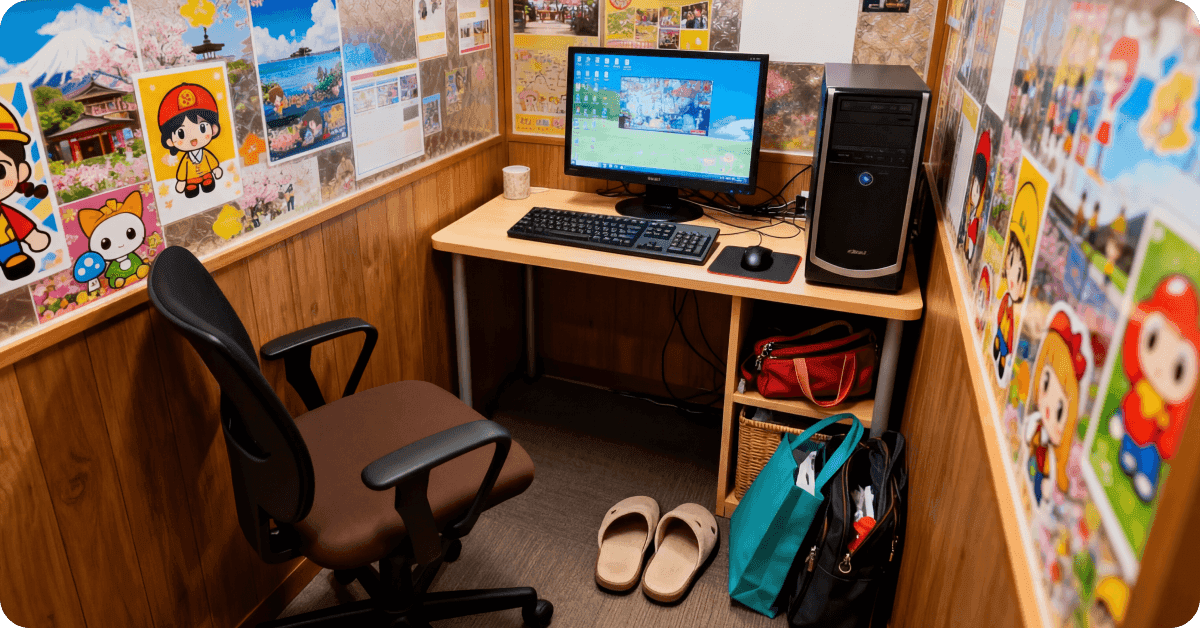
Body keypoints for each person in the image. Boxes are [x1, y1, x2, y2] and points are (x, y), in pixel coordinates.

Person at [0, 101, 51, 282]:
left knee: (14, 260)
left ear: (21, 171)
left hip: (7, 247)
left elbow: (19, 223)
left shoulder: (5, 212)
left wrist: (32, 236)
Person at [158, 83, 225, 199]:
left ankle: (206, 181)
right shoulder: (186, 159)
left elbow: (212, 161)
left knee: (209, 184)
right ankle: (192, 185)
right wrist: (181, 181)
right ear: (170, 141)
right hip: (191, 179)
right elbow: (183, 169)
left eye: (202, 128)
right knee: (191, 189)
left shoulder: (206, 155)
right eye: (181, 133)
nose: (194, 140)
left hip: (207, 175)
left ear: (213, 129)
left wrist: (215, 169)